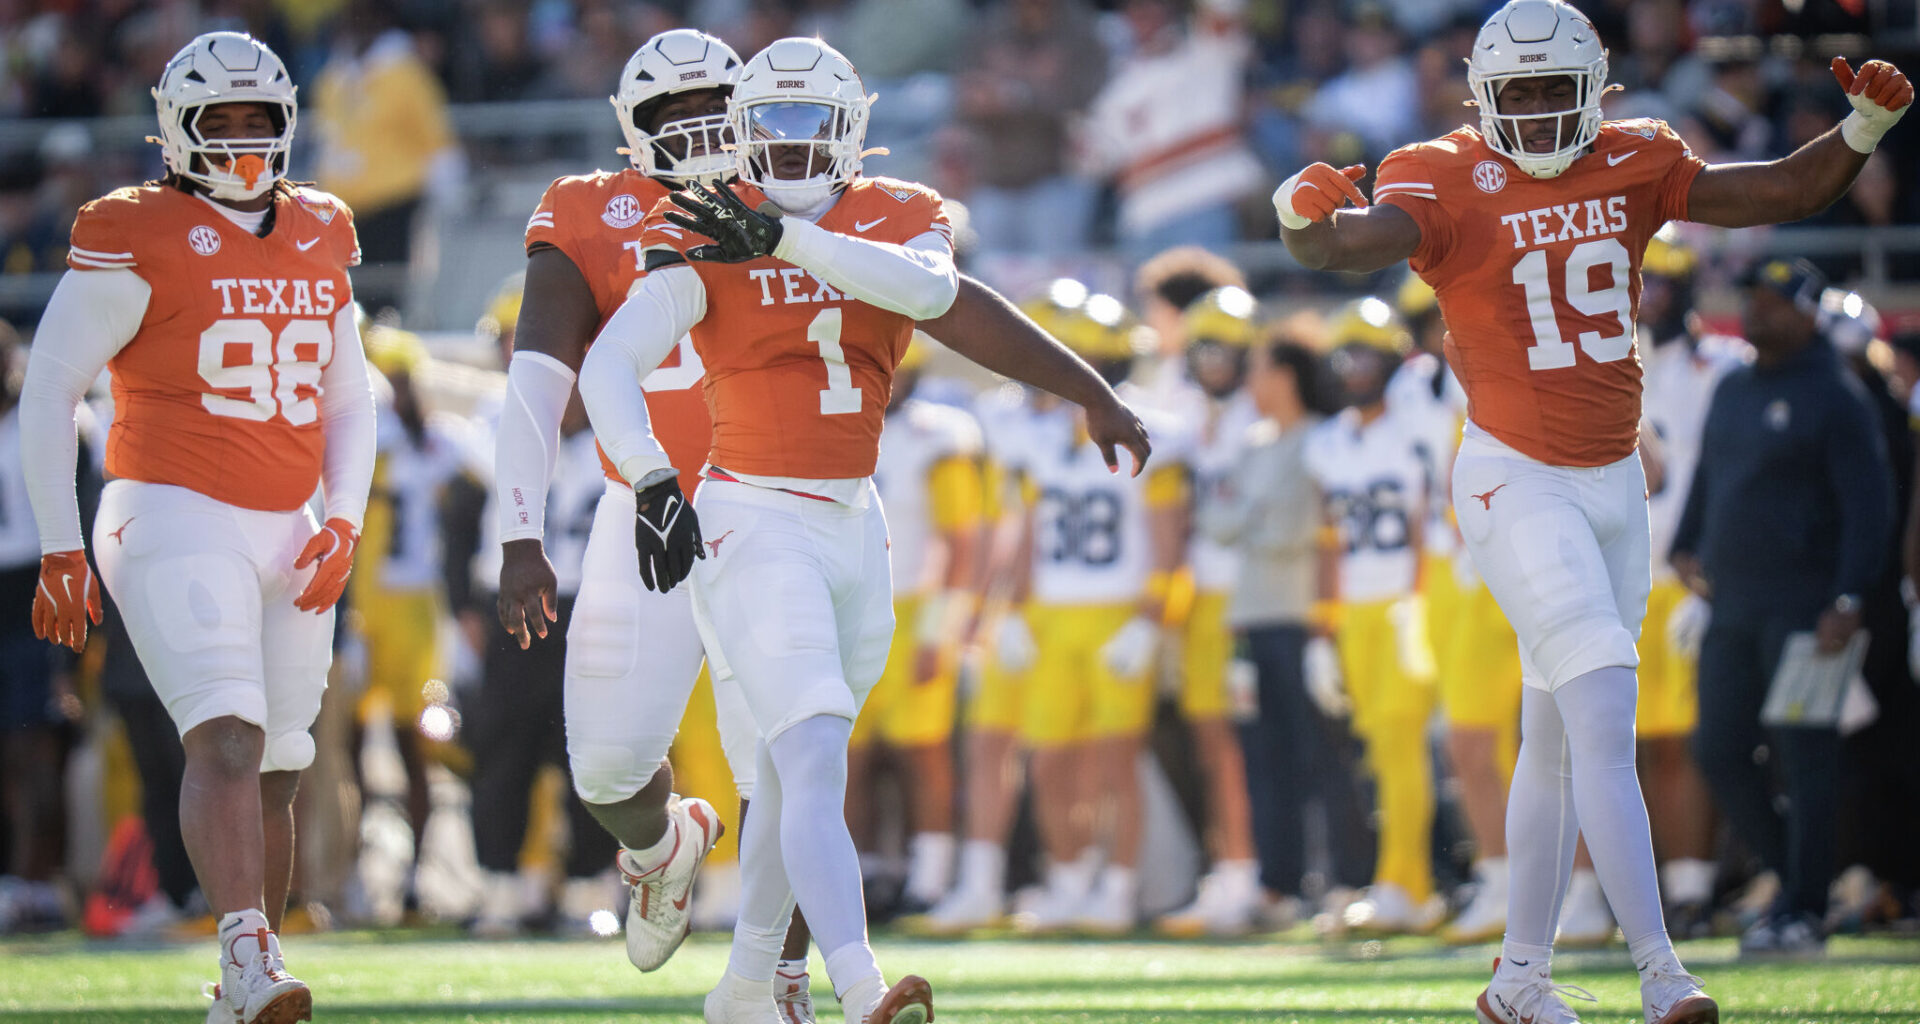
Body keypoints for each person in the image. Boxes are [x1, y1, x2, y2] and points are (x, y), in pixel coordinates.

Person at [1270, 0, 1909, 1017]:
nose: (1529, 112)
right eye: (1511, 93)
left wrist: (1863, 131)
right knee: (1605, 702)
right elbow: (1353, 245)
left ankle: (1520, 978)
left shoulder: (1638, 155)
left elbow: (1780, 188)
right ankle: (1663, 971)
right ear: (1481, 97)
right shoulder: (1439, 171)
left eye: (1548, 91)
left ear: (1594, 90)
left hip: (1615, 482)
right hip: (1512, 474)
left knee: (1558, 736)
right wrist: (1306, 220)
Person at [577, 36, 1149, 1024]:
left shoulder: (903, 214)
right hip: (750, 515)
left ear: (852, 132)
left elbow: (935, 297)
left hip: (853, 517)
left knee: (779, 769)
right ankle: (863, 988)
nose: (792, 145)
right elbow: (609, 363)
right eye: (773, 124)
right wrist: (652, 474)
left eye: (811, 122)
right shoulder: (709, 219)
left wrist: (1089, 390)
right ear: (740, 132)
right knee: (809, 759)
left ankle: (749, 986)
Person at [20, 31, 375, 1024]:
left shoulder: (320, 227)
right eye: (220, 122)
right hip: (170, 506)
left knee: (281, 761)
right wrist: (59, 537)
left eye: (258, 119)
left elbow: (350, 398)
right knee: (225, 733)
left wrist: (343, 518)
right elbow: (52, 388)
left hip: (290, 517)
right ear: (176, 130)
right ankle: (251, 958)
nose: (242, 139)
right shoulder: (136, 229)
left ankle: (240, 986)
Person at [1672, 259, 1894, 958]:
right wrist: (1684, 544)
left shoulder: (1835, 395)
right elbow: (1710, 475)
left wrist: (1849, 596)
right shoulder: (1735, 386)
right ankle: (1794, 884)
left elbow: (1871, 506)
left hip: (1805, 609)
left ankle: (1805, 907)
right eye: (1753, 300)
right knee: (1719, 748)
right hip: (1733, 605)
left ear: (1806, 313)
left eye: (1772, 302)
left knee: (1806, 757)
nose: (1758, 312)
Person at [993, 282, 1187, 937]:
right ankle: (1070, 879)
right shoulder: (1041, 437)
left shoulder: (1146, 428)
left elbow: (1169, 543)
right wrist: (1013, 610)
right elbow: (1028, 534)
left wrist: (1148, 621)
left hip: (1115, 613)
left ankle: (1119, 887)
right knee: (1047, 760)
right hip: (1052, 615)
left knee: (1113, 761)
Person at [1199, 323, 1375, 927]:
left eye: (1260, 369)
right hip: (1248, 620)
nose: (1250, 382)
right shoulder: (1250, 444)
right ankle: (1277, 886)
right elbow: (1220, 522)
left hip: (1300, 619)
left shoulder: (1319, 442)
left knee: (1323, 754)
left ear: (1287, 374)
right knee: (1262, 759)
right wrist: (1258, 516)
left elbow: (1296, 533)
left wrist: (1252, 517)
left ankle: (1349, 882)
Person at [1303, 299, 1439, 936]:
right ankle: (1405, 882)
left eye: (1366, 355)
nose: (1355, 369)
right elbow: (1329, 538)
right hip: (1357, 608)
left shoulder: (1414, 427)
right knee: (1384, 751)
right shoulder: (1329, 441)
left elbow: (1423, 524)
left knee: (1402, 742)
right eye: (1346, 356)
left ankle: (1405, 883)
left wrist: (1419, 599)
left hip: (1406, 602)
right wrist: (1322, 631)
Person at [847, 334, 983, 918]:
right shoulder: (840, 421)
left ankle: (930, 877)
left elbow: (964, 540)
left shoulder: (940, 436)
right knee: (845, 752)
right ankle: (863, 876)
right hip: (847, 608)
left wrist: (942, 627)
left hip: (914, 606)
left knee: (921, 749)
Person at [1634, 227, 1742, 937]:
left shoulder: (1724, 365)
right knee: (1632, 743)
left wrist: (1714, 568)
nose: (1647, 297)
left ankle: (1697, 885)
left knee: (1696, 741)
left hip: (1695, 572)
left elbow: (1733, 476)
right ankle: (1654, 893)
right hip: (1627, 573)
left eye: (1661, 281)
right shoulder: (1609, 360)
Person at [1153, 286, 1264, 937]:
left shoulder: (1261, 410)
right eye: (1202, 349)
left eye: (1224, 348)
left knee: (1242, 744)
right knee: (1209, 738)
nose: (1213, 361)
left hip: (1251, 595)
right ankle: (1230, 869)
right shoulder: (1185, 413)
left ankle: (1251, 871)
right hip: (1203, 596)